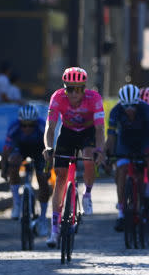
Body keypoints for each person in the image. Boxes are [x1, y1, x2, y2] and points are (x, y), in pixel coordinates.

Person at [43, 67, 105, 248]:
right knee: (60, 175)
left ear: (84, 89)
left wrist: (100, 150)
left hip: (88, 133)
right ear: (65, 88)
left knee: (88, 157)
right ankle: (54, 230)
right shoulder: (57, 97)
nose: (74, 93)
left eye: (78, 89)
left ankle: (87, 193)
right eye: (70, 89)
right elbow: (50, 126)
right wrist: (48, 147)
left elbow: (100, 129)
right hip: (68, 133)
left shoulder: (94, 98)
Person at [106, 85, 149, 232]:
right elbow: (110, 137)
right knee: (122, 169)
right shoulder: (116, 111)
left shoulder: (147, 110)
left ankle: (147, 195)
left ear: (138, 102)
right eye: (126, 106)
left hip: (144, 141)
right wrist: (108, 156)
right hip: (125, 142)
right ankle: (121, 212)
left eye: (133, 105)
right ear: (121, 103)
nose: (130, 109)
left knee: (147, 166)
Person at [2, 104, 50, 232]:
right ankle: (17, 203)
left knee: (43, 180)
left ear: (35, 123)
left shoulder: (42, 126)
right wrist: (4, 168)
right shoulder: (14, 127)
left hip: (39, 149)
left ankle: (43, 218)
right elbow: (6, 149)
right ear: (20, 123)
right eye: (24, 125)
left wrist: (48, 168)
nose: (27, 128)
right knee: (13, 161)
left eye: (31, 125)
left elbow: (50, 149)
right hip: (21, 148)